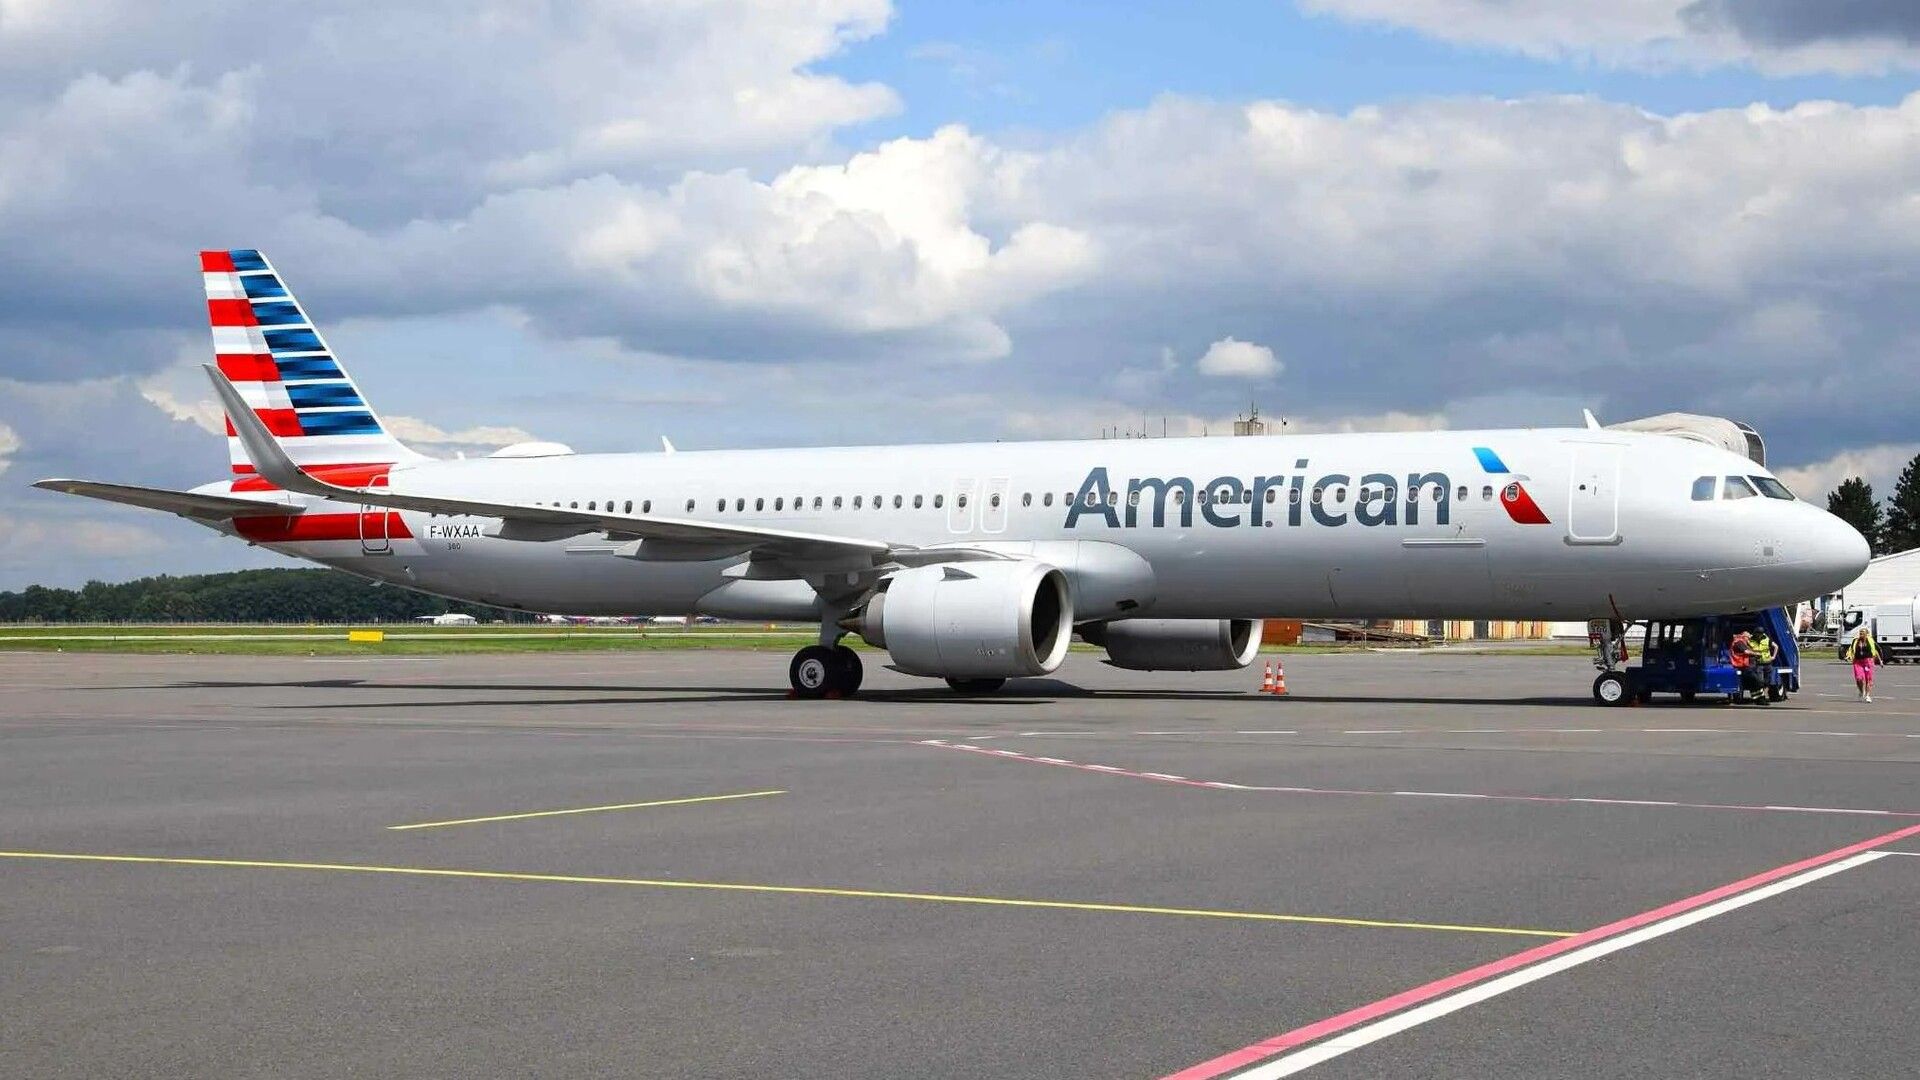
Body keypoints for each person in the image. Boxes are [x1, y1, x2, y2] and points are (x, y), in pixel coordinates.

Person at [1844, 627, 1881, 703]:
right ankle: (1861, 691)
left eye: (1863, 633)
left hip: (1868, 661)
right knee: (1859, 678)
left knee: (1868, 679)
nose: (1861, 634)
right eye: (1860, 633)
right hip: (1858, 662)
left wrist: (1880, 660)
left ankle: (1867, 695)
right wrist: (1848, 656)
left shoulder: (1870, 641)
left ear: (1867, 634)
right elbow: (1851, 649)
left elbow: (1876, 650)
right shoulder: (1855, 641)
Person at [1728, 630, 1761, 702]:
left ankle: (1755, 698)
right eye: (1748, 638)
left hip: (1743, 665)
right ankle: (1757, 698)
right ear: (1744, 637)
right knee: (1756, 681)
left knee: (1747, 682)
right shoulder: (1739, 642)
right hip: (1741, 665)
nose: (1749, 639)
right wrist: (1756, 654)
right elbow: (1746, 651)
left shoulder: (1742, 642)